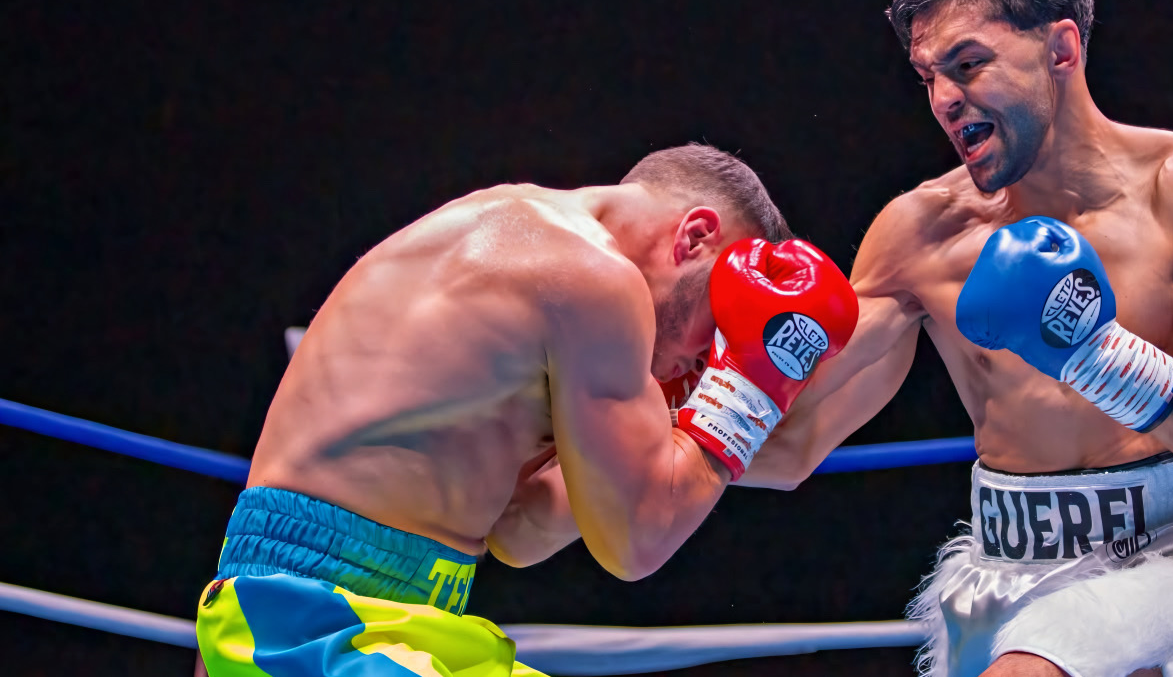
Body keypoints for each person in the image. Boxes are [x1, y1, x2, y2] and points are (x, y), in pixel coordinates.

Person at [743, 0, 1173, 677]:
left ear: (1061, 49)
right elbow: (795, 438)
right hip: (1000, 573)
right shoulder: (919, 233)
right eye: (927, 75)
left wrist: (1096, 356)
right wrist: (649, 419)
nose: (943, 98)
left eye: (967, 64)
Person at [193, 144, 859, 676]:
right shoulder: (592, 278)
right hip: (310, 620)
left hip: (398, 619)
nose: (701, 361)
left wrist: (669, 422)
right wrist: (742, 393)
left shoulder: (530, 249)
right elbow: (638, 542)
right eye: (717, 325)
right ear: (694, 238)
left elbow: (520, 530)